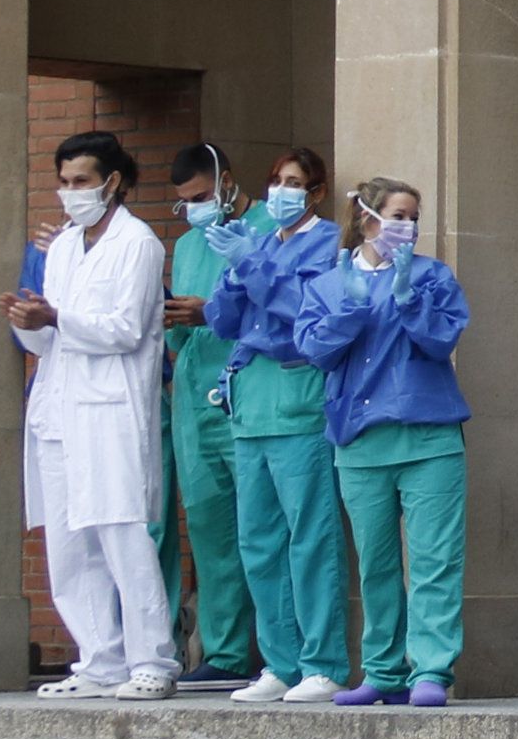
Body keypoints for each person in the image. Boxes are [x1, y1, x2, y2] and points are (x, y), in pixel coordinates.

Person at [6, 129, 177, 700]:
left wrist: (54, 317)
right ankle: (99, 659)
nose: (70, 192)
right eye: (63, 182)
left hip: (110, 409)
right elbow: (46, 340)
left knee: (121, 534)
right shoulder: (60, 248)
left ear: (113, 182)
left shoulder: (138, 243)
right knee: (68, 542)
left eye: (81, 181)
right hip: (58, 408)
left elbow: (126, 329)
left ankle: (151, 659)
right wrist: (29, 320)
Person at [296, 178, 472, 708]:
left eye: (414, 216)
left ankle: (432, 671)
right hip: (360, 441)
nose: (409, 227)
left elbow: (443, 340)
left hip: (430, 437)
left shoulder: (432, 277)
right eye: (399, 214)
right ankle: (382, 671)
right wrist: (350, 311)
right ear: (366, 215)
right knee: (375, 564)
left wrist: (407, 300)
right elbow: (312, 350)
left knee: (435, 561)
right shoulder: (328, 285)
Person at [203, 150, 354, 706]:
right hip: (251, 406)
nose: (281, 192)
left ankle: (323, 662)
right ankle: (279, 661)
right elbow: (223, 321)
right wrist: (234, 266)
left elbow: (306, 311)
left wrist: (257, 270)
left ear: (315, 193)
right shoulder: (263, 240)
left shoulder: (330, 243)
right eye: (275, 181)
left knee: (309, 536)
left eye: (294, 183)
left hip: (297, 402)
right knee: (259, 541)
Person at [154, 142, 259, 688]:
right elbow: (177, 329)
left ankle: (279, 654)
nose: (194, 209)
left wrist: (210, 312)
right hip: (195, 397)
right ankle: (224, 652)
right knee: (211, 529)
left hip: (247, 393)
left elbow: (274, 305)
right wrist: (178, 316)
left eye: (199, 196)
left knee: (263, 529)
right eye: (184, 202)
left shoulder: (263, 227)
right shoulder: (190, 244)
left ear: (226, 181)